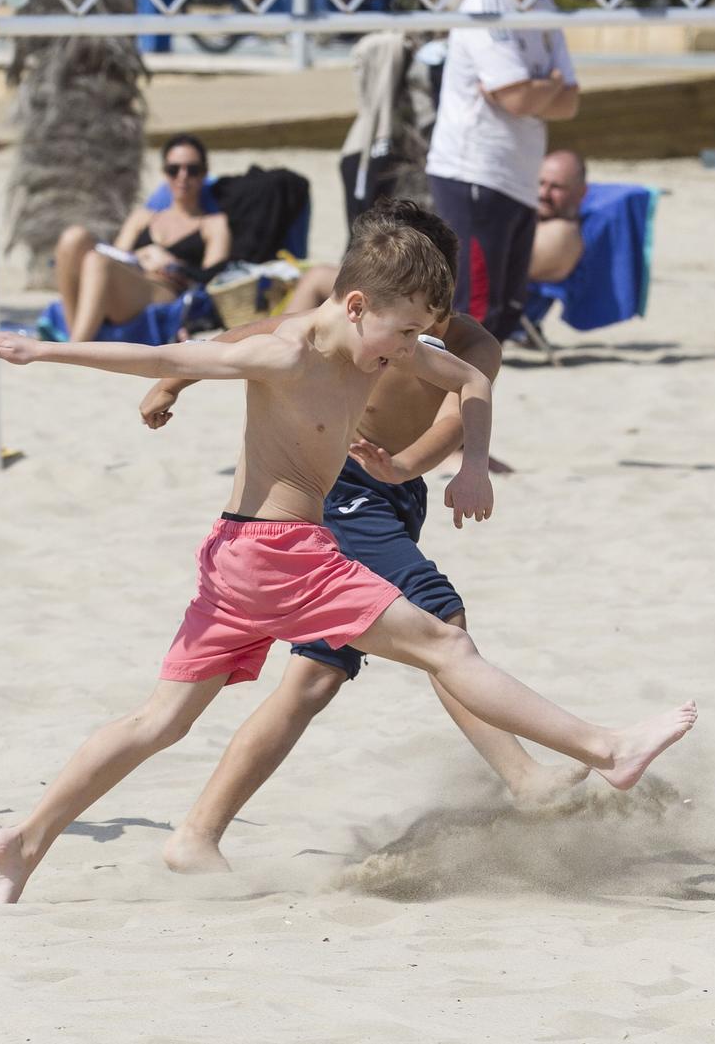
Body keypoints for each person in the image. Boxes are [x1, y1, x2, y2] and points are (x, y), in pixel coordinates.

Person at [0, 200, 694, 902]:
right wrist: (42, 348)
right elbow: (161, 349)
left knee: (161, 720)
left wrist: (470, 464)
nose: (409, 354)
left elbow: (469, 376)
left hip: (235, 558)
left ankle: (23, 840)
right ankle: (604, 748)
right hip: (281, 552)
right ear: (355, 306)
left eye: (419, 335)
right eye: (402, 334)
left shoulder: (378, 342)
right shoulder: (286, 356)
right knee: (444, 641)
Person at [138, 220, 583, 875]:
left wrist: (407, 468)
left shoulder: (471, 343)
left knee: (315, 677)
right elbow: (250, 338)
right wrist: (174, 382)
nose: (435, 313)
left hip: (395, 494)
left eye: (444, 298)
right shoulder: (357, 320)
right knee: (438, 620)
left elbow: (458, 415)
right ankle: (523, 775)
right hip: (340, 487)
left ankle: (196, 835)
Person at [425, 0, 581, 343]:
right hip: (473, 174)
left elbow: (569, 101)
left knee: (506, 312)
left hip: (519, 177)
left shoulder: (544, 8)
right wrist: (540, 87)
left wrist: (537, 89)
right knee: (473, 312)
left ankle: (477, 407)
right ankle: (450, 409)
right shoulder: (486, 7)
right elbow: (517, 99)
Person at [50, 134, 233, 342]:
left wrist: (175, 265)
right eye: (174, 170)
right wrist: (142, 255)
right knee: (74, 237)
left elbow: (214, 280)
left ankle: (77, 345)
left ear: (204, 173)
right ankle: (75, 334)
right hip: (130, 281)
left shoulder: (213, 223)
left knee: (96, 261)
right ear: (165, 173)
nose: (182, 176)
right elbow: (117, 255)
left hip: (167, 291)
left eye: (192, 170)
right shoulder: (143, 217)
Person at [527, 150, 588, 285]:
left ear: (582, 192)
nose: (544, 194)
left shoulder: (563, 233)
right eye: (540, 183)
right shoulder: (532, 220)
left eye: (556, 187)